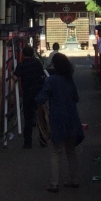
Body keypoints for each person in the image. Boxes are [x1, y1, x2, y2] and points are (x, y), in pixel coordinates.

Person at [35, 52, 83, 192]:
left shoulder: (51, 80)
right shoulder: (69, 79)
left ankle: (54, 184)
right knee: (71, 150)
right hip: (72, 118)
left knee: (56, 151)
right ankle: (74, 180)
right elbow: (76, 98)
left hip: (58, 119)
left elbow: (41, 98)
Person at [14, 45, 47, 149]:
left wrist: (10, 74)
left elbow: (15, 77)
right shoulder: (37, 63)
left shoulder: (21, 65)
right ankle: (43, 139)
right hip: (39, 92)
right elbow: (42, 74)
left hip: (28, 94)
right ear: (32, 54)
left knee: (28, 119)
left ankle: (27, 142)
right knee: (41, 117)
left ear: (23, 54)